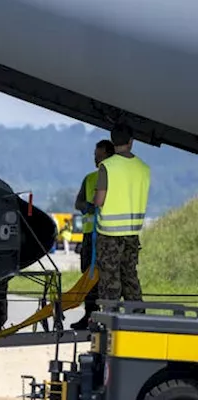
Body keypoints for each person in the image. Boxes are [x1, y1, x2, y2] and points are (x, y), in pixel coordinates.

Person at [93, 124, 151, 313]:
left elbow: (100, 200)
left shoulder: (107, 166)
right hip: (132, 235)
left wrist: (94, 200)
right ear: (131, 142)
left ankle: (110, 322)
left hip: (109, 235)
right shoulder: (144, 168)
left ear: (112, 142)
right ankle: (138, 321)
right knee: (130, 277)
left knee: (110, 281)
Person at [71, 139, 115, 329]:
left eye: (100, 156)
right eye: (95, 156)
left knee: (106, 277)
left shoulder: (115, 178)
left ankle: (105, 315)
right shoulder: (89, 178)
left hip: (107, 234)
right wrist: (85, 206)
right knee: (87, 276)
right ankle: (88, 315)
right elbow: (78, 202)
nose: (96, 159)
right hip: (90, 236)